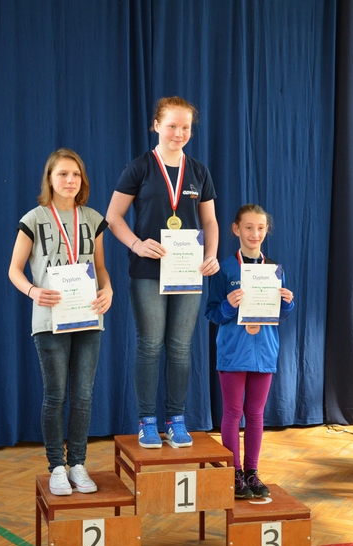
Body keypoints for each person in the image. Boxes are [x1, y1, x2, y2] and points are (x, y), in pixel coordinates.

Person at [106, 97, 219, 449]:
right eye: (171, 126)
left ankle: (176, 420)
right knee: (151, 345)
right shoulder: (139, 167)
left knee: (181, 348)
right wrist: (136, 244)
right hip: (147, 272)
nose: (178, 133)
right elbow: (113, 217)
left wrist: (211, 255)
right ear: (156, 125)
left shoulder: (198, 171)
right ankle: (147, 422)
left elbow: (210, 221)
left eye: (185, 127)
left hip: (187, 272)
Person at [8, 149, 113, 496]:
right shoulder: (34, 218)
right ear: (50, 179)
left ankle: (78, 464)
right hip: (50, 320)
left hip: (87, 316)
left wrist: (108, 289)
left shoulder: (93, 218)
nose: (70, 180)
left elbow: (99, 267)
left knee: (83, 396)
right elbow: (14, 270)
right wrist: (33, 291)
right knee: (55, 395)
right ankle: (56, 466)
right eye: (63, 174)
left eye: (76, 174)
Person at [205, 204, 294, 499]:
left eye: (260, 228)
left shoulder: (275, 269)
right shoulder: (225, 268)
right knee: (233, 412)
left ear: (267, 230)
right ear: (236, 229)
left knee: (255, 413)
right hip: (233, 352)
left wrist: (288, 303)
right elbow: (212, 314)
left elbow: (279, 314)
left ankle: (252, 472)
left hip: (264, 351)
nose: (255, 233)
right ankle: (234, 473)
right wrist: (228, 305)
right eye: (248, 227)